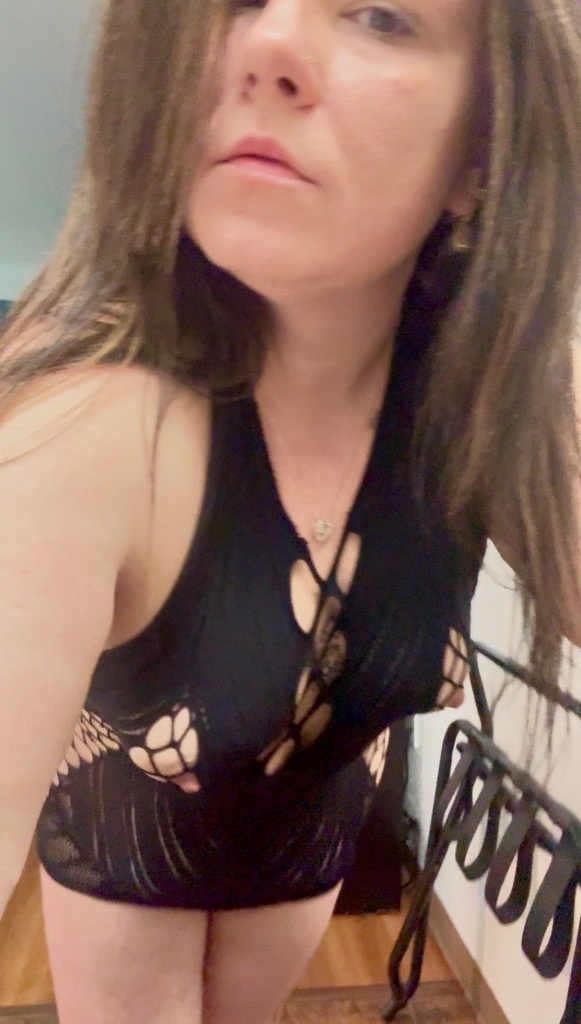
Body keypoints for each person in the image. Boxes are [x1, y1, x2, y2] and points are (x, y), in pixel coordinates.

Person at [1, 1, 580, 1022]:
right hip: (129, 825)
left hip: (305, 829)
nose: (266, 44)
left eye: (380, 15)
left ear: (482, 148)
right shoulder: (83, 427)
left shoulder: (487, 410)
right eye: (235, 1)